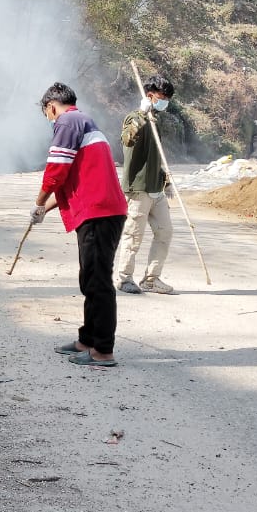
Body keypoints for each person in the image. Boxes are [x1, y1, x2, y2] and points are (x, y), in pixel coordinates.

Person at [31, 82, 128, 367]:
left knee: (98, 281)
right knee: (89, 277)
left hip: (99, 212)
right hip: (99, 210)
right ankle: (87, 339)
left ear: (51, 107)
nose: (50, 120)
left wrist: (38, 201)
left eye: (47, 114)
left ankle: (103, 351)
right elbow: (76, 177)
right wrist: (45, 211)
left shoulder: (67, 121)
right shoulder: (84, 122)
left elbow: (56, 172)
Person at [115, 74, 176, 295]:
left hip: (155, 188)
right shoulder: (135, 118)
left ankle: (151, 278)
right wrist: (142, 113)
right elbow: (127, 139)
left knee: (165, 232)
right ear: (149, 96)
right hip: (138, 189)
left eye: (167, 98)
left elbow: (156, 157)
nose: (165, 102)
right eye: (161, 97)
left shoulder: (155, 121)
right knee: (133, 235)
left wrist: (165, 181)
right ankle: (125, 278)